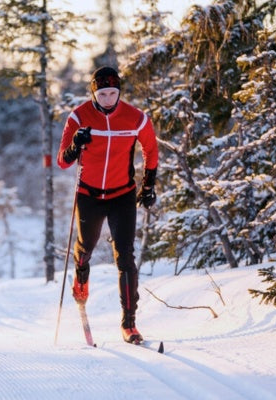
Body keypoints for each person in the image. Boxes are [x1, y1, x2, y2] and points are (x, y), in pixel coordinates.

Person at [57, 66, 159, 343]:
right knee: (85, 248)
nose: (108, 98)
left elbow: (151, 149)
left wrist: (149, 183)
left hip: (122, 195)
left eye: (113, 93)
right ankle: (81, 275)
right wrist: (77, 144)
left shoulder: (136, 118)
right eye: (102, 93)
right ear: (94, 92)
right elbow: (63, 162)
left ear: (119, 92)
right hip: (89, 195)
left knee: (125, 257)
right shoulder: (78, 117)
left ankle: (129, 323)